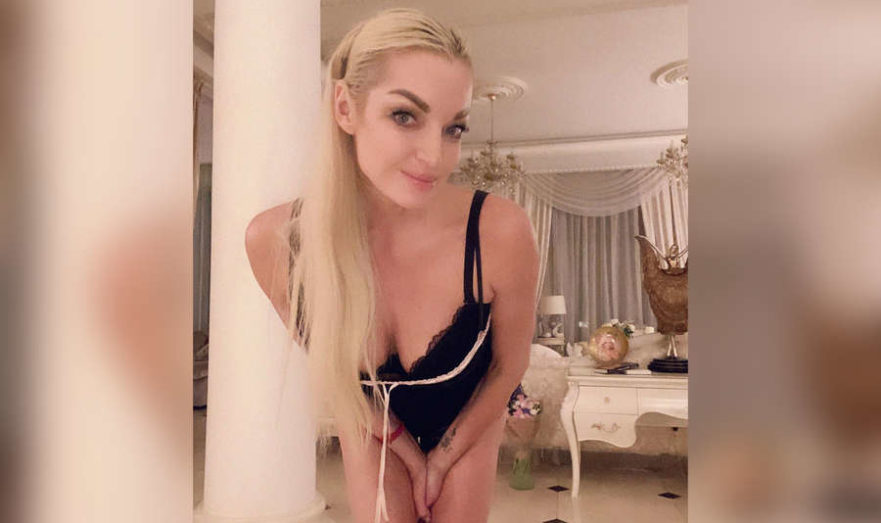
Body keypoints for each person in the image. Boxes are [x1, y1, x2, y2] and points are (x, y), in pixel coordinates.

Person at [245, 8, 538, 523]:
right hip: (373, 420)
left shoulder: (499, 231)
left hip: (471, 415)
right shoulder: (276, 243)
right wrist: (401, 446)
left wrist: (442, 458)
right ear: (345, 107)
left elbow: (507, 366)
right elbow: (337, 374)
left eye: (454, 128)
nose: (435, 155)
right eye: (405, 116)